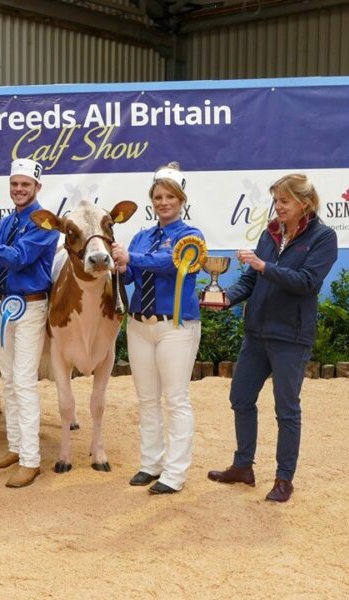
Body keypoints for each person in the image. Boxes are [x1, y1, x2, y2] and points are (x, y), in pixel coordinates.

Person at [207, 174, 337, 502]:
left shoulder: (324, 237)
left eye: (284, 201)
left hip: (291, 337)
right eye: (276, 200)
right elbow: (250, 280)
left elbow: (307, 282)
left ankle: (283, 479)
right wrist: (225, 298)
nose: (277, 207)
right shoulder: (271, 233)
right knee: (240, 397)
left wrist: (264, 265)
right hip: (256, 334)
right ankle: (242, 467)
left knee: (287, 409)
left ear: (304, 203)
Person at [0, 158, 59, 488]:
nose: (19, 189)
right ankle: (16, 447)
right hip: (3, 306)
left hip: (30, 306)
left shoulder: (45, 224)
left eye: (25, 185)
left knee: (24, 381)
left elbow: (19, 258)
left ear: (37, 188)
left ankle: (32, 460)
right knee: (10, 381)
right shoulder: (4, 223)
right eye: (15, 184)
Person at [111, 162, 203, 495]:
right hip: (139, 324)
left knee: (176, 399)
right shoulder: (141, 236)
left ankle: (175, 473)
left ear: (181, 201)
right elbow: (130, 277)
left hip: (176, 325)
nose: (163, 202)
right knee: (147, 399)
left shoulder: (191, 236)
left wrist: (132, 258)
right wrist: (117, 265)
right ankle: (151, 463)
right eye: (158, 197)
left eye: (170, 197)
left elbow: (173, 264)